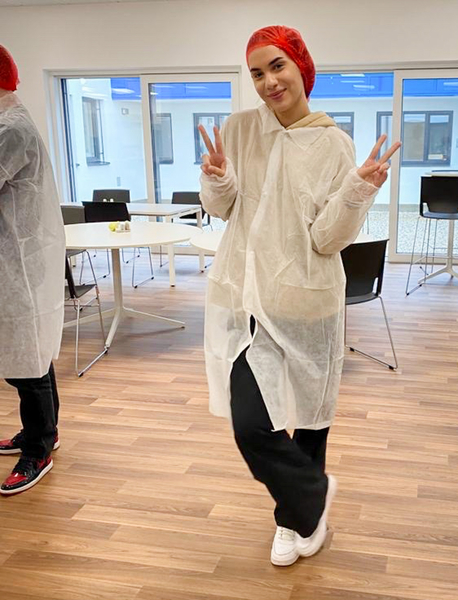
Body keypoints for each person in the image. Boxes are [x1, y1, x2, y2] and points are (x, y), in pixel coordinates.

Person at [198, 26, 400, 566]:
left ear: (301, 67)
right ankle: (312, 493)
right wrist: (217, 179)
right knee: (251, 423)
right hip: (248, 299)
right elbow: (223, 209)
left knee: (310, 418)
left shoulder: (334, 143)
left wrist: (359, 190)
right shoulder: (241, 130)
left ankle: (295, 520)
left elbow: (327, 239)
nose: (269, 81)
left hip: (308, 299)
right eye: (257, 73)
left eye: (277, 66)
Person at [0, 45, 65, 495]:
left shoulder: (10, 129)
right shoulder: (13, 121)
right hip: (20, 258)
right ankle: (43, 431)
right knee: (33, 351)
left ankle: (38, 448)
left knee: (26, 360)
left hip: (18, 262)